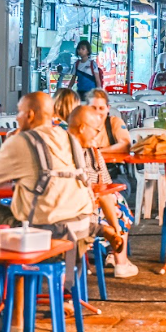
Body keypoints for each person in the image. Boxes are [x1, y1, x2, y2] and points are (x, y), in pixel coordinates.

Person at [0, 93, 100, 242]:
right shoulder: (69, 138)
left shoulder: (21, 140)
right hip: (82, 235)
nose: (17, 118)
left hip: (45, 237)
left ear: (29, 115)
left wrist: (6, 145)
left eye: (19, 112)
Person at [65, 105, 135, 277]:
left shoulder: (94, 152)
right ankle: (120, 261)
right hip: (68, 216)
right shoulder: (60, 152)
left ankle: (115, 255)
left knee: (116, 203)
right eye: (96, 131)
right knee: (118, 207)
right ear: (82, 128)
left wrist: (115, 229)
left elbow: (104, 190)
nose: (98, 135)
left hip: (90, 209)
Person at [83, 89, 131, 156]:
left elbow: (126, 145)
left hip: (112, 165)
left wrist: (98, 152)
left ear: (108, 108)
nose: (97, 112)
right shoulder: (81, 125)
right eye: (93, 108)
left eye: (101, 108)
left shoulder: (115, 122)